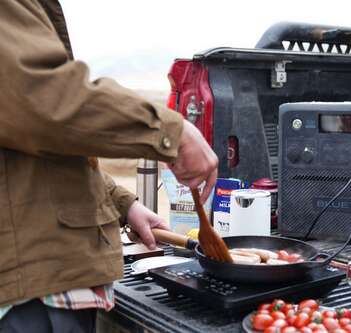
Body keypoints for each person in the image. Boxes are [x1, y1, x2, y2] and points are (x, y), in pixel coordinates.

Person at [0, 0, 218, 332]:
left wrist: (121, 202)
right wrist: (171, 131)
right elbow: (40, 100)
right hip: (28, 285)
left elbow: (31, 145)